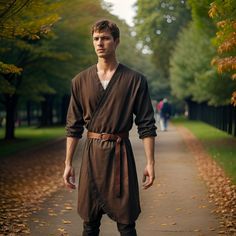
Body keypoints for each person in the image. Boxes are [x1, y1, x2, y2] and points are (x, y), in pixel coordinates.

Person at [63, 19, 157, 236]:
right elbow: (73, 127)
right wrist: (68, 163)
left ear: (116, 41)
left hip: (120, 155)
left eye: (105, 38)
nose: (100, 43)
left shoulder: (135, 80)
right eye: (96, 38)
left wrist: (150, 163)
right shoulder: (79, 81)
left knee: (126, 223)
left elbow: (146, 125)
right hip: (91, 156)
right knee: (89, 222)